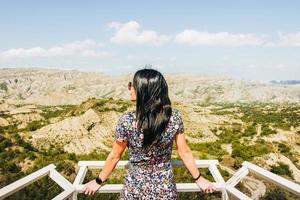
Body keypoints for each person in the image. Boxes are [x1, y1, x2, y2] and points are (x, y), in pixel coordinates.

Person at [83, 68, 216, 199]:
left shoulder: (127, 120)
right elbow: (184, 152)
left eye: (132, 85)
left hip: (135, 188)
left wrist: (98, 181)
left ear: (143, 90)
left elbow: (115, 156)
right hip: (164, 189)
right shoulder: (174, 117)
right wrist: (198, 178)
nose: (129, 89)